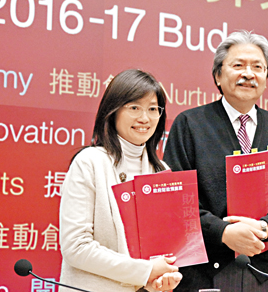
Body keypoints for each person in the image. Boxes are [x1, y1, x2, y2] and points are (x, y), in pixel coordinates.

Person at [163, 30, 268, 291]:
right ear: (217, 75)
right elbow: (175, 199)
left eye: (258, 67)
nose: (248, 74)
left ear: (266, 78)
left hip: (264, 273)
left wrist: (267, 227)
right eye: (238, 66)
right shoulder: (189, 124)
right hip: (203, 273)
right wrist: (223, 232)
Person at [59, 69, 182, 292]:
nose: (144, 118)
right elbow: (76, 247)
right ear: (113, 111)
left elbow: (162, 251)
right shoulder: (90, 162)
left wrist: (160, 278)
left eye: (153, 109)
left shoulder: (162, 172)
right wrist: (145, 271)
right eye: (134, 107)